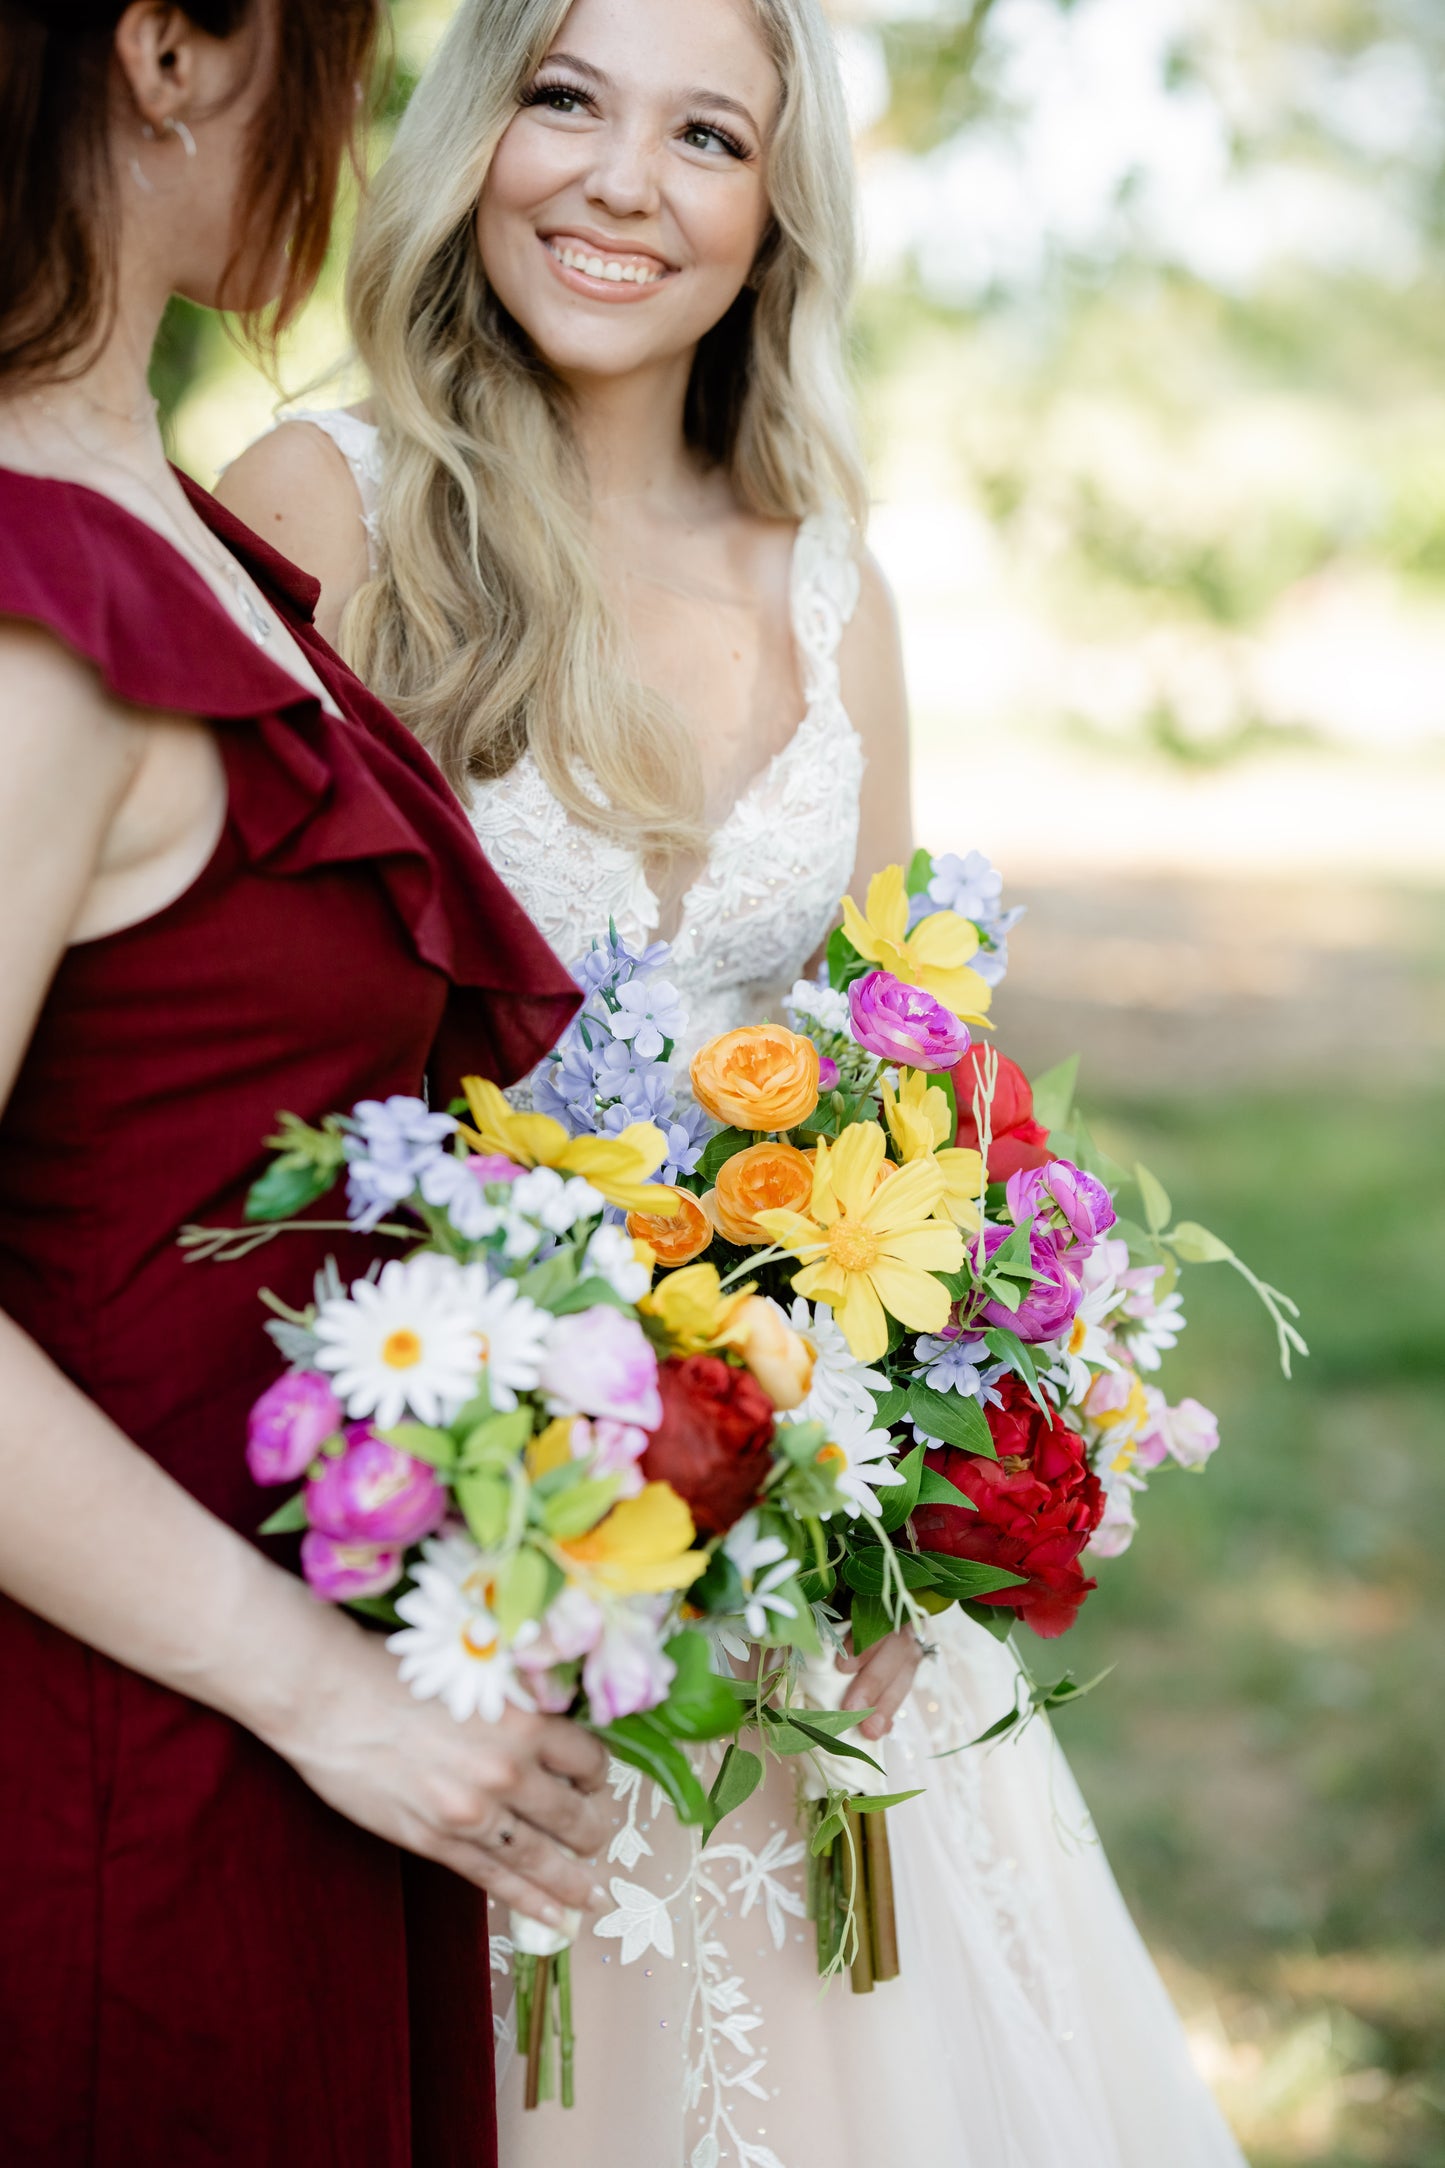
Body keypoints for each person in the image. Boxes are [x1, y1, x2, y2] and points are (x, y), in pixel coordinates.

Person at [219, 1, 1250, 2161]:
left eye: (707, 132)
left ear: (777, 207)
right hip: (468, 1565)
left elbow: (916, 1085)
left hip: (809, 1575)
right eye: (565, 98)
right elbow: (226, 1064)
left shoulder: (830, 571)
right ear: (473, 126)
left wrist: (912, 1513)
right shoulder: (327, 502)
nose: (620, 179)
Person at [0, 6, 614, 2165]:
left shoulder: (155, 524)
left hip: (300, 1743)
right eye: (339, 49)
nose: (355, 129)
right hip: (115, 1776)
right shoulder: (34, 607)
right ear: (174, 47)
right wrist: (318, 1692)